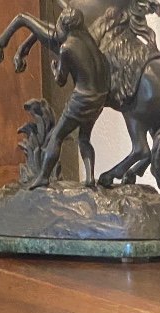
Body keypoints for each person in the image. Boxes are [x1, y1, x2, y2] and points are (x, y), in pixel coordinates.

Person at [33, 7, 110, 187]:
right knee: (84, 138)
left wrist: (54, 67)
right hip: (98, 99)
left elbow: (61, 80)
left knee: (57, 136)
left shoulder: (66, 48)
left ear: (64, 25)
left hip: (81, 100)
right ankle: (90, 178)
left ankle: (43, 176)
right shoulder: (89, 40)